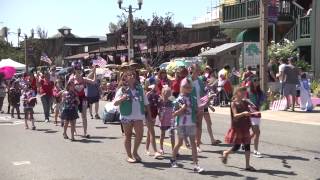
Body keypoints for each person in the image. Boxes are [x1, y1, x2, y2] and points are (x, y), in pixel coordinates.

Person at [114, 70, 151, 163]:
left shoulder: (139, 88)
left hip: (138, 115)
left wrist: (149, 115)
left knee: (140, 134)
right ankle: (129, 155)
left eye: (134, 75)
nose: (132, 76)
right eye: (130, 75)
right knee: (128, 135)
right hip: (126, 115)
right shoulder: (122, 89)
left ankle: (135, 152)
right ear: (125, 78)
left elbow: (146, 102)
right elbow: (115, 103)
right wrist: (122, 98)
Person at [170, 78, 204, 173]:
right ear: (182, 87)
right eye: (186, 87)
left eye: (190, 87)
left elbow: (195, 111)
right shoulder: (178, 100)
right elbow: (173, 114)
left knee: (193, 143)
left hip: (191, 123)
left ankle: (196, 165)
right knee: (180, 143)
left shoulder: (192, 98)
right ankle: (173, 159)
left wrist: (198, 112)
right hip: (181, 124)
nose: (188, 89)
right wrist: (182, 109)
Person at [222, 87, 255, 171]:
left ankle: (247, 165)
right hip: (237, 127)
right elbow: (235, 115)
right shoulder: (233, 103)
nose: (244, 94)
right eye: (242, 93)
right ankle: (226, 153)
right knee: (237, 147)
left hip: (245, 126)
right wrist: (244, 113)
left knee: (247, 145)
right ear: (237, 93)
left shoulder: (245, 102)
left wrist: (250, 112)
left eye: (245, 93)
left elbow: (250, 111)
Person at [68, 62, 96, 138]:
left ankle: (85, 132)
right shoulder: (71, 78)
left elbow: (93, 82)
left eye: (80, 69)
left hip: (83, 99)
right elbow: (68, 89)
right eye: (77, 69)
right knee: (74, 116)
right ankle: (73, 131)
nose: (79, 70)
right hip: (74, 99)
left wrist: (95, 72)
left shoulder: (83, 79)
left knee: (84, 116)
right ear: (74, 70)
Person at [189, 64, 206, 153]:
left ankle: (197, 144)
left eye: (199, 69)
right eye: (197, 69)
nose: (199, 70)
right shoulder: (188, 80)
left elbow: (203, 93)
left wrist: (206, 102)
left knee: (199, 125)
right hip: (191, 106)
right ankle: (191, 142)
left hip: (200, 106)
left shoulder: (200, 80)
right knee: (192, 126)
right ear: (192, 70)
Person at [247, 77, 264, 158]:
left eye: (258, 81)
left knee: (255, 132)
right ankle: (255, 151)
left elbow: (262, 102)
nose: (257, 82)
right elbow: (244, 100)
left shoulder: (260, 92)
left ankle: (245, 142)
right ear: (252, 82)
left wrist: (269, 96)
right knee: (257, 132)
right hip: (250, 114)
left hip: (257, 113)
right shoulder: (248, 91)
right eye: (255, 80)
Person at [145, 84, 162, 158]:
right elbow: (146, 106)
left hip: (154, 115)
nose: (155, 88)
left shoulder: (157, 95)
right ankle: (155, 151)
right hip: (148, 115)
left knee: (149, 132)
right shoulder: (147, 95)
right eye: (153, 87)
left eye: (156, 87)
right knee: (152, 132)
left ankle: (147, 149)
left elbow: (159, 105)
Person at [158, 86, 175, 155]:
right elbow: (159, 110)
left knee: (172, 135)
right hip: (163, 119)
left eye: (169, 93)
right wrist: (160, 116)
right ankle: (161, 148)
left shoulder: (172, 99)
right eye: (166, 92)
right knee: (162, 134)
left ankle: (174, 149)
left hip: (171, 119)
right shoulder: (160, 100)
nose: (168, 94)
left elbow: (177, 105)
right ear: (163, 93)